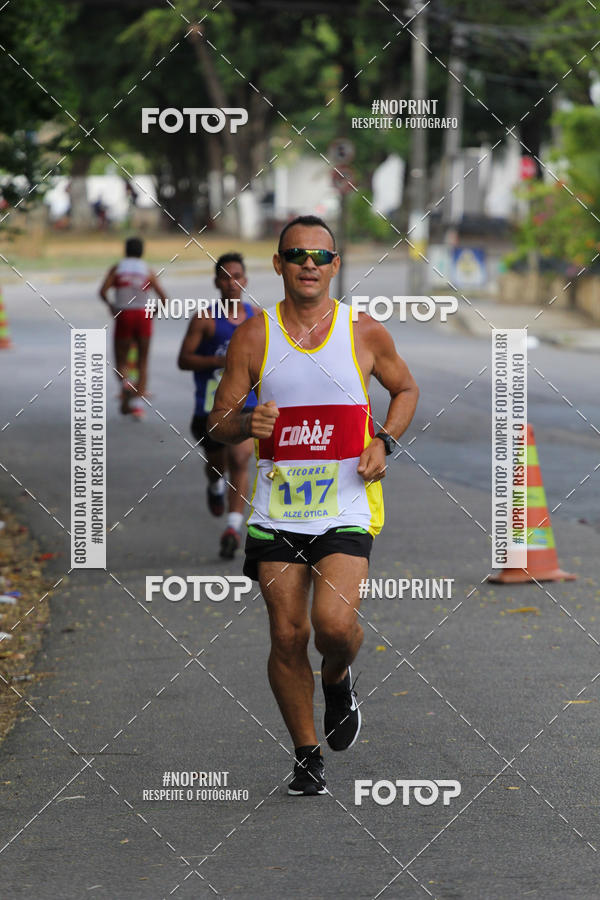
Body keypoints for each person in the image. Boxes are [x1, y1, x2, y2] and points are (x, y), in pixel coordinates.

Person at [207, 215, 419, 795]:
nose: (309, 264)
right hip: (277, 510)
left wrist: (384, 441)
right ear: (278, 264)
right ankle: (307, 756)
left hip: (347, 504)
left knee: (334, 626)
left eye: (321, 256)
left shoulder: (363, 332)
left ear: (335, 266)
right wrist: (245, 423)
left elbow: (405, 389)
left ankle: (338, 675)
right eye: (297, 254)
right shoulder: (254, 336)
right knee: (287, 634)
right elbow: (218, 421)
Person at [178, 253, 257, 559]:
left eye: (237, 276)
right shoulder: (205, 319)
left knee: (240, 459)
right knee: (217, 466)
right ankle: (214, 486)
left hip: (246, 405)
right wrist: (218, 360)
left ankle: (233, 528)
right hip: (209, 409)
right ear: (217, 282)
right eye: (226, 277)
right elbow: (184, 360)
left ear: (245, 281)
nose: (232, 283)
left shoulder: (257, 318)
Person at [99, 237, 167, 418]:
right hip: (143, 315)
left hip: (124, 314)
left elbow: (102, 292)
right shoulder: (147, 270)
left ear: (125, 250)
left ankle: (125, 384)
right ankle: (137, 405)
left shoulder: (117, 269)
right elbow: (163, 298)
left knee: (121, 358)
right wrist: (153, 312)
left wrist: (111, 306)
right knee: (142, 361)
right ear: (142, 252)